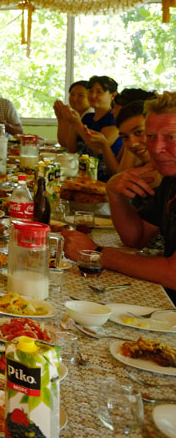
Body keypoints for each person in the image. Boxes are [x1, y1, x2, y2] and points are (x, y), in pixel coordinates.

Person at [62, 91, 176, 302]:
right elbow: (136, 238)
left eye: (171, 137)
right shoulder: (171, 179)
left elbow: (173, 273)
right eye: (151, 136)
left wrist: (96, 252)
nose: (157, 148)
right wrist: (114, 193)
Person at [60, 75, 122, 182]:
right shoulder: (88, 117)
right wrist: (72, 122)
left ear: (113, 95)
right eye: (91, 91)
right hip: (83, 174)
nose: (93, 96)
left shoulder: (114, 119)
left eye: (99, 92)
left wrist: (77, 123)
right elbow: (72, 149)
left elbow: (97, 149)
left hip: (105, 178)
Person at [54, 80, 89, 147]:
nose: (75, 99)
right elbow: (64, 143)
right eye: (72, 95)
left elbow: (73, 148)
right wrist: (60, 118)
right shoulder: (75, 115)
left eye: (80, 96)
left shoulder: (90, 116)